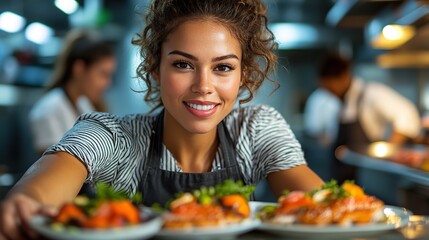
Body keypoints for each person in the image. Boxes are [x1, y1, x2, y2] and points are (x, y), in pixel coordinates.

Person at [0, 0, 323, 239]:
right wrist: (26, 201)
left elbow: (321, 207)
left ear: (244, 76)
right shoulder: (114, 136)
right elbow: (46, 182)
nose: (203, 87)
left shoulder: (256, 129)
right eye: (183, 65)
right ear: (156, 69)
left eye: (222, 68)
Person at [304, 52, 421, 183]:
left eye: (330, 87)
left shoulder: (372, 93)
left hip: (369, 178)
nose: (329, 92)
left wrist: (390, 149)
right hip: (340, 174)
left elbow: (407, 113)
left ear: (344, 76)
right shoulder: (335, 103)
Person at [29, 29, 116, 154]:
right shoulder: (48, 109)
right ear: (79, 68)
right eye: (103, 74)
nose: (107, 83)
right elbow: (55, 167)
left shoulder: (84, 105)